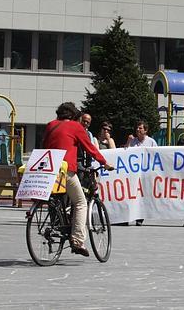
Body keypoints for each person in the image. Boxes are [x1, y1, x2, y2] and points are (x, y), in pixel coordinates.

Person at [44, 102, 113, 257]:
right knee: (81, 203)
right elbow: (90, 147)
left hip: (49, 169)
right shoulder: (76, 127)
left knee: (58, 200)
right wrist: (104, 163)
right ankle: (77, 241)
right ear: (74, 115)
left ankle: (57, 224)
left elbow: (44, 146)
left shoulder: (50, 125)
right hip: (65, 170)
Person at [125, 120, 158, 226]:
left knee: (142, 196)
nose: (138, 130)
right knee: (133, 195)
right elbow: (125, 153)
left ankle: (140, 217)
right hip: (134, 174)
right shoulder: (133, 141)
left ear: (145, 130)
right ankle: (130, 215)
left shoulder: (151, 142)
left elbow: (157, 156)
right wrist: (128, 142)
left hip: (146, 174)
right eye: (137, 128)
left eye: (140, 128)